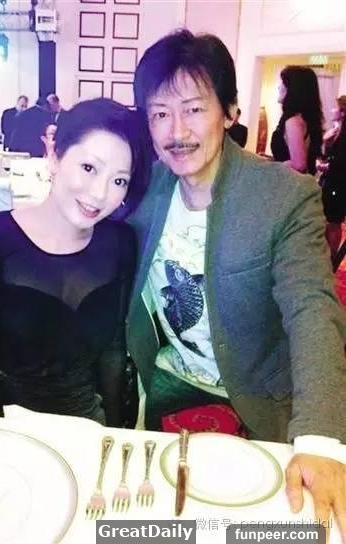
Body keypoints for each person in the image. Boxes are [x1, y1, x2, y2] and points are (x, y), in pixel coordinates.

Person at [128, 29, 346, 538]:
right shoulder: (142, 187)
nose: (176, 131)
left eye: (193, 109)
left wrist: (321, 438)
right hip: (167, 370)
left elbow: (312, 309)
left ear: (229, 112)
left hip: (259, 384)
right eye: (159, 113)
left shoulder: (283, 196)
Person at [0, 98, 151, 427]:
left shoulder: (119, 242)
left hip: (87, 422)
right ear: (55, 156)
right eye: (89, 168)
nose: (99, 193)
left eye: (119, 180)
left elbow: (112, 351)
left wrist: (116, 438)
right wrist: (0, 446)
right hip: (7, 420)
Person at [270, 66, 323, 175]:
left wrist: (270, 166)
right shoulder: (302, 118)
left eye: (283, 83)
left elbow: (299, 165)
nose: (279, 87)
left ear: (293, 89)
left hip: (290, 183)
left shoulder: (293, 121)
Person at [319, 96, 346, 261]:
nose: (332, 110)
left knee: (334, 222)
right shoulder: (337, 131)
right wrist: (326, 143)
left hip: (340, 184)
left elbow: (341, 162)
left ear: (342, 112)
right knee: (326, 220)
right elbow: (329, 155)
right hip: (331, 181)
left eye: (335, 108)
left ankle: (331, 258)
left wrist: (326, 167)